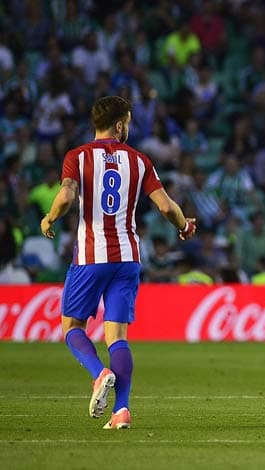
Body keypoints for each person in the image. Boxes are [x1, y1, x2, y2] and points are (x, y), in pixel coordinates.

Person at [40, 96, 197, 430]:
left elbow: (66, 196)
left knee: (72, 328)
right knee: (117, 336)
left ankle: (100, 374)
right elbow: (167, 206)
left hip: (90, 256)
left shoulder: (77, 157)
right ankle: (121, 411)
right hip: (127, 257)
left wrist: (49, 218)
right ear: (121, 124)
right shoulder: (139, 160)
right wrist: (184, 226)